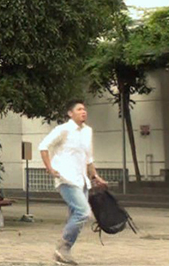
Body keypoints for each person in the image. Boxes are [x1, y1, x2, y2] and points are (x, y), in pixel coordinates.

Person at [38, 99, 107, 265]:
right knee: (83, 212)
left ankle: (62, 255)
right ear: (70, 113)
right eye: (79, 109)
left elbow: (88, 158)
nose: (84, 112)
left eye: (84, 109)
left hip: (82, 180)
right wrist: (49, 168)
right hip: (66, 178)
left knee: (75, 216)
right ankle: (63, 247)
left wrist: (95, 176)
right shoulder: (63, 129)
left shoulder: (87, 131)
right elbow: (43, 146)